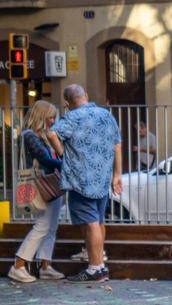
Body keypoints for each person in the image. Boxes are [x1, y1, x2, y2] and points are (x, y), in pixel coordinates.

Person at [48, 84, 121, 283]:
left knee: (90, 223)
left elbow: (51, 134)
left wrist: (63, 154)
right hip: (103, 177)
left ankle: (95, 268)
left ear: (68, 103)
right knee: (98, 221)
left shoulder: (71, 117)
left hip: (80, 178)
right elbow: (117, 144)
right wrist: (117, 175)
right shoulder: (106, 115)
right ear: (86, 96)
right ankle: (100, 263)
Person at [9, 101, 65, 284]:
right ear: (41, 116)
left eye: (53, 117)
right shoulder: (30, 135)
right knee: (42, 225)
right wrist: (68, 164)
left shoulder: (43, 135)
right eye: (49, 116)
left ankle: (45, 266)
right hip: (41, 183)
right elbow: (45, 159)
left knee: (51, 227)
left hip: (50, 184)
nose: (52, 120)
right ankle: (18, 265)